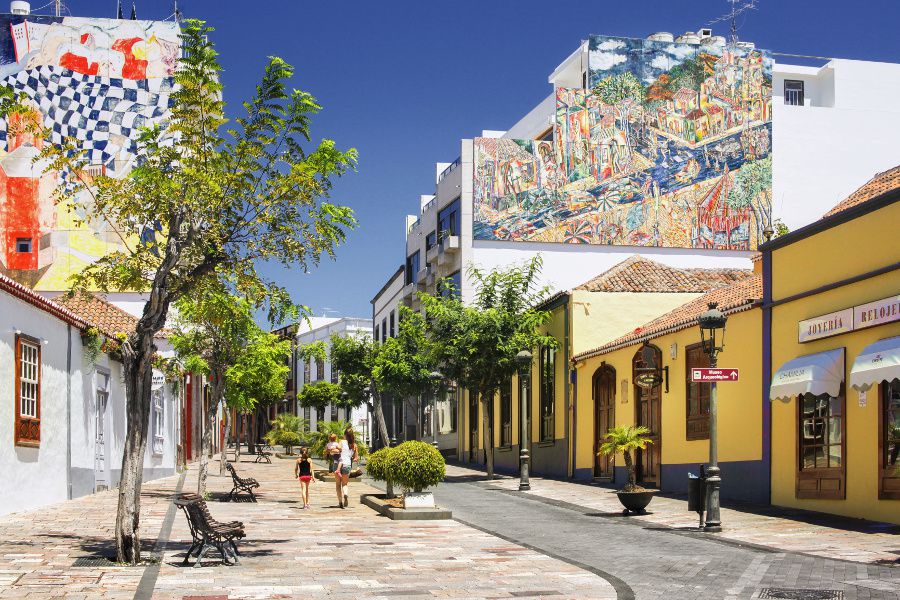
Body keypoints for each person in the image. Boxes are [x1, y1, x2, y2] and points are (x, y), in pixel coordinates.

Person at [333, 427, 358, 509]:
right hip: (347, 465)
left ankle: (340, 502)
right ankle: (346, 494)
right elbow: (356, 458)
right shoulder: (354, 445)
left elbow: (337, 450)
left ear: (345, 435)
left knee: (337, 484)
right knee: (345, 484)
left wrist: (331, 450)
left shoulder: (342, 441)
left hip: (338, 464)